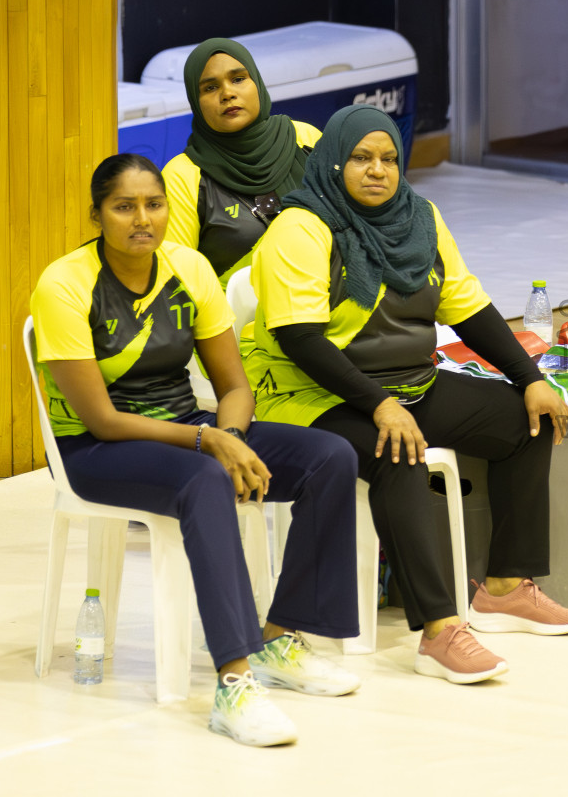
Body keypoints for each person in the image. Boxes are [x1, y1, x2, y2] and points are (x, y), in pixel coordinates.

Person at [245, 104, 568, 688]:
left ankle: (504, 588)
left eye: (388, 159)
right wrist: (378, 404)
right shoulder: (299, 229)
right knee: (397, 449)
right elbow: (299, 339)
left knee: (521, 420)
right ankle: (438, 629)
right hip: (309, 393)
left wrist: (529, 378)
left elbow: (468, 307)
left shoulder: (420, 217)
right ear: (332, 163)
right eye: (360, 158)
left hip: (407, 385)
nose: (377, 170)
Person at [29, 154, 361, 748]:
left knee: (329, 457)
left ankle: (278, 640)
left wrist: (225, 437)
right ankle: (233, 684)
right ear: (97, 214)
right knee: (204, 481)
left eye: (153, 204)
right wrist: (209, 442)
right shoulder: (64, 284)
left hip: (190, 429)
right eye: (123, 206)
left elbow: (234, 386)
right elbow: (101, 421)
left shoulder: (189, 268)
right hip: (95, 451)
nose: (142, 219)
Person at [163, 38, 321, 287]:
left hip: (326, 302)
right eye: (210, 88)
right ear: (195, 101)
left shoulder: (305, 139)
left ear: (256, 83)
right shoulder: (183, 176)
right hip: (234, 321)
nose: (228, 94)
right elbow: (179, 280)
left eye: (238, 79)